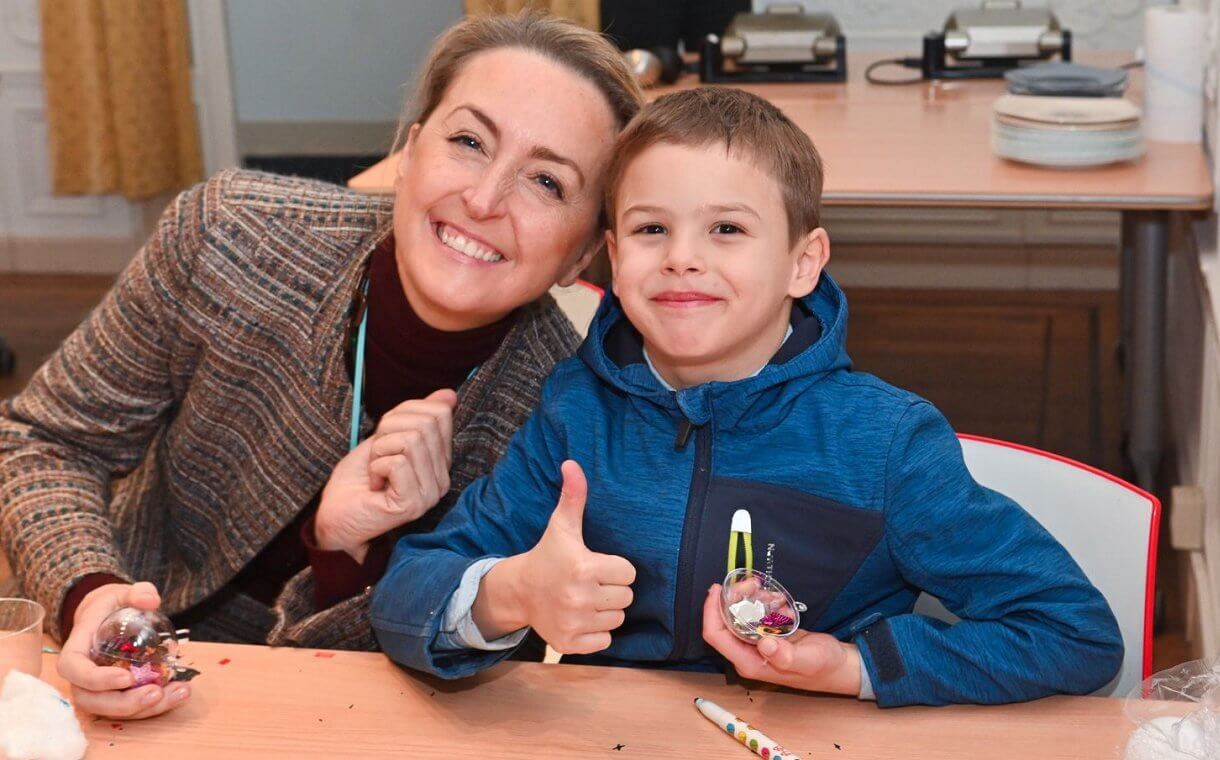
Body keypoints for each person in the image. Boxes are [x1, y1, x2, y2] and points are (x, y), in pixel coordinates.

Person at [370, 87, 1124, 707]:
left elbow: (1073, 634)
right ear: (613, 255)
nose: (683, 258)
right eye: (651, 228)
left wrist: (854, 668)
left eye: (727, 228)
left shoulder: (885, 445)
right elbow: (406, 592)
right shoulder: (576, 410)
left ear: (803, 262)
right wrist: (509, 593)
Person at [0, 11, 643, 720]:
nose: (486, 200)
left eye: (547, 183)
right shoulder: (231, 235)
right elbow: (46, 439)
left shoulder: (566, 412)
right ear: (408, 150)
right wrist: (90, 592)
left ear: (585, 255)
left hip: (352, 707)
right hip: (127, 633)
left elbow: (464, 659)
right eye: (467, 142)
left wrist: (344, 555)